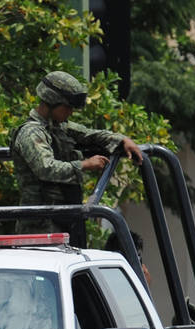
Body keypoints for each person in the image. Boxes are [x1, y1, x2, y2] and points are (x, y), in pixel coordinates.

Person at [10, 71, 143, 248]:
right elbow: (46, 168)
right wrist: (85, 165)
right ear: (51, 102)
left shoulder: (57, 127)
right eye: (67, 107)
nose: (70, 112)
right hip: (39, 228)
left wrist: (121, 140)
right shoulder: (31, 133)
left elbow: (88, 135)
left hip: (63, 220)